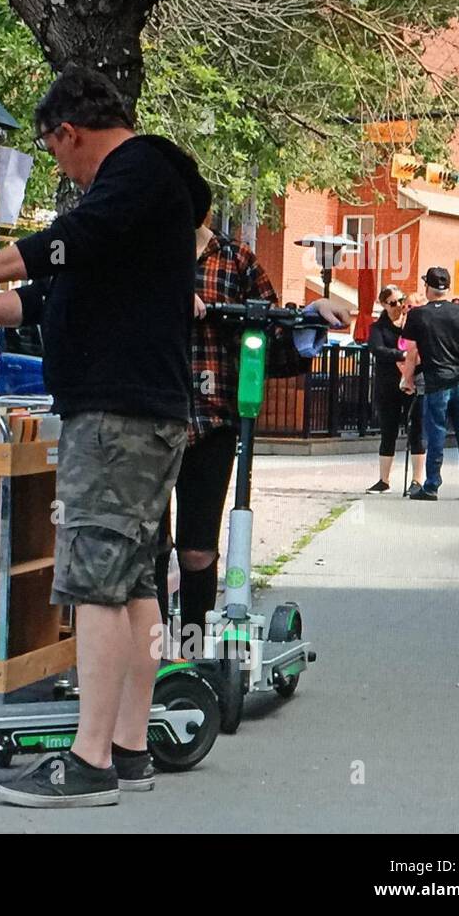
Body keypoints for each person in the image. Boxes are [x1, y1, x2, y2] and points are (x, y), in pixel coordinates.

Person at [0, 65, 210, 807]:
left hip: (117, 414)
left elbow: (64, 243)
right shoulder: (140, 204)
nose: (62, 168)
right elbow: (46, 295)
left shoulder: (135, 172)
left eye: (55, 151)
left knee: (99, 582)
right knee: (135, 584)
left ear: (69, 132)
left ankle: (89, 759)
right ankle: (130, 746)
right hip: (139, 411)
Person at [155, 223, 348, 648]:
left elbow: (272, 337)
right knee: (148, 547)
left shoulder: (235, 260)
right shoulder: (142, 254)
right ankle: (145, 654)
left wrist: (310, 317)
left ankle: (193, 651)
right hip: (146, 417)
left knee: (197, 550)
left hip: (212, 418)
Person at [398, 267, 459, 501]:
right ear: (447, 288)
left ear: (427, 287)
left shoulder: (417, 315)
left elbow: (411, 353)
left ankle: (431, 486)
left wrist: (407, 380)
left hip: (436, 381)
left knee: (436, 432)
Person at [367, 284, 426, 494]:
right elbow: (377, 349)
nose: (398, 306)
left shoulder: (411, 323)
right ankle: (384, 480)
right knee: (388, 430)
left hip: (414, 383)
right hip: (388, 385)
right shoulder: (378, 328)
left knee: (416, 431)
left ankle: (417, 480)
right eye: (392, 303)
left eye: (400, 301)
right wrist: (402, 356)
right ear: (383, 304)